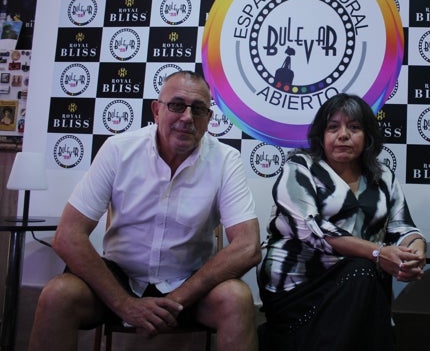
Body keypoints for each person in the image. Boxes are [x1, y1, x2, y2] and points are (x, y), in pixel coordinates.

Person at [29, 71, 261, 351]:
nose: (187, 117)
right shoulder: (118, 150)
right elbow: (68, 235)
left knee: (236, 298)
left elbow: (248, 247)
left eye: (198, 109)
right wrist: (124, 304)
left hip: (189, 283)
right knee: (57, 294)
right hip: (118, 278)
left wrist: (178, 298)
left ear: (209, 119)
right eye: (176, 105)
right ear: (156, 110)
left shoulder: (226, 160)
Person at [258, 93, 426, 351]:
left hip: (359, 283)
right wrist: (378, 252)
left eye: (354, 127)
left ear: (367, 136)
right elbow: (312, 230)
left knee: (363, 273)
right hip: (297, 286)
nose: (343, 135)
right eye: (333, 127)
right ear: (321, 135)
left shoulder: (383, 177)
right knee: (363, 269)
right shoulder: (300, 167)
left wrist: (414, 252)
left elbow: (404, 227)